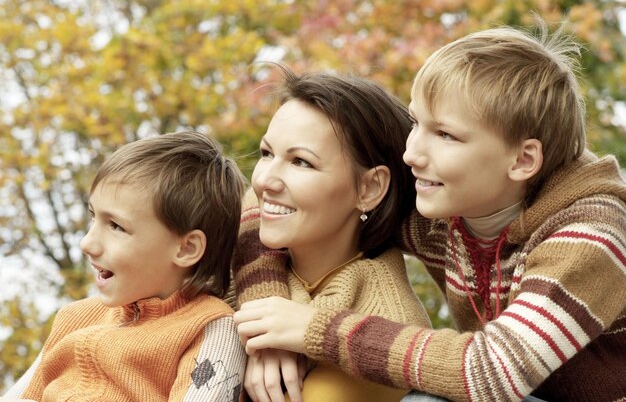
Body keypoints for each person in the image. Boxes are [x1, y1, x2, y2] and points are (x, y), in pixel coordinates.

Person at [233, 22, 626, 402]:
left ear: (523, 160)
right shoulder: (442, 196)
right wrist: (267, 322)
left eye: (445, 135)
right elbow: (264, 197)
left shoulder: (590, 234)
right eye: (415, 122)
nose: (411, 154)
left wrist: (313, 329)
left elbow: (492, 372)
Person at [233, 66, 431, 402]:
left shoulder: (383, 322)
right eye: (267, 153)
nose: (265, 179)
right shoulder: (234, 253)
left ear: (370, 188)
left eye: (301, 162)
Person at [2, 131, 247, 402]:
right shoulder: (74, 318)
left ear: (186, 248)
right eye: (93, 217)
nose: (87, 243)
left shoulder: (212, 329)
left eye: (116, 226)